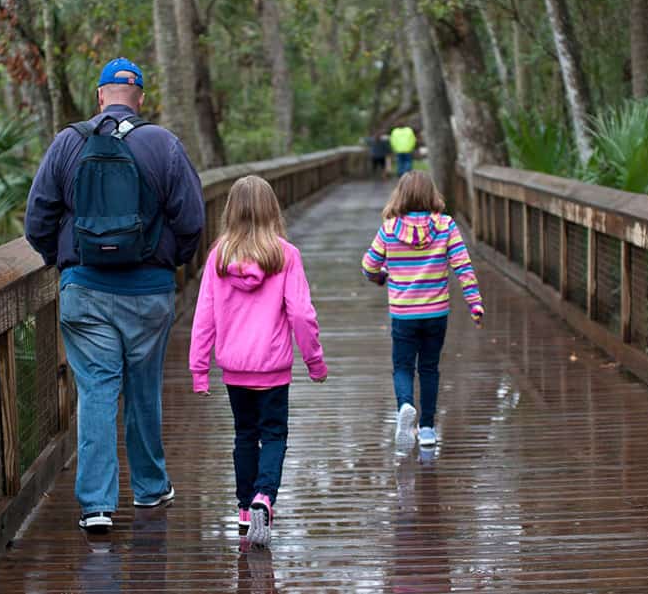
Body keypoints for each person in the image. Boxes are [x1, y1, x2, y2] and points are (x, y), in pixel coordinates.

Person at [24, 57, 205, 533]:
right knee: (144, 388)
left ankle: (97, 505)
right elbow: (192, 221)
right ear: (140, 98)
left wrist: (63, 262)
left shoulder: (69, 143)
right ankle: (149, 488)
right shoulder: (162, 144)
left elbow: (37, 220)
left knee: (98, 391)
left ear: (100, 95)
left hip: (85, 290)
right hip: (149, 292)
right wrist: (172, 263)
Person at [188, 176, 328, 547]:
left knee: (245, 436)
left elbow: (204, 316)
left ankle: (244, 510)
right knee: (274, 435)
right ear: (272, 211)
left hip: (235, 369)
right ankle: (265, 496)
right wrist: (314, 361)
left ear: (230, 212)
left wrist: (199, 370)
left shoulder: (218, 256)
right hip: (273, 369)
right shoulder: (285, 255)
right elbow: (300, 314)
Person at [360, 171, 484, 451]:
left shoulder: (389, 228)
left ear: (400, 195)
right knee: (429, 368)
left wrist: (382, 276)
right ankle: (427, 428)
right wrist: (475, 303)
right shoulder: (446, 226)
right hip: (436, 313)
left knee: (403, 366)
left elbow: (368, 266)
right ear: (432, 195)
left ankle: (405, 405)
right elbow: (463, 267)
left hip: (403, 314)